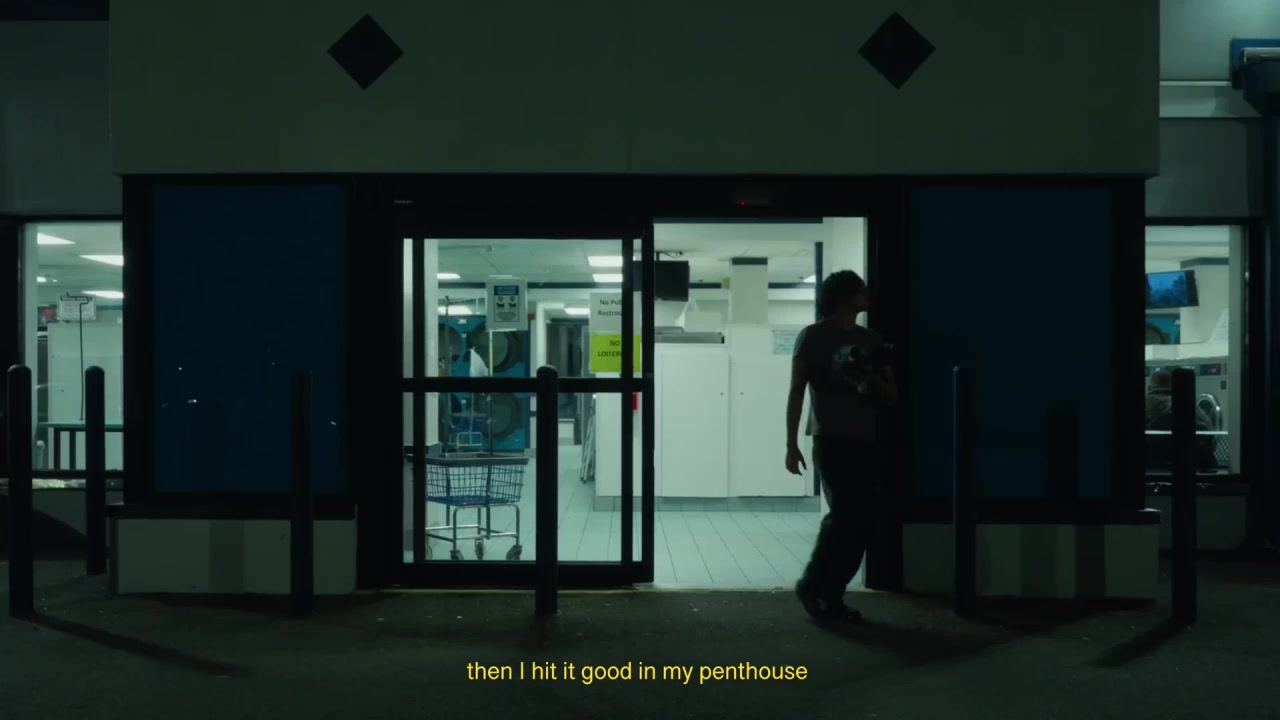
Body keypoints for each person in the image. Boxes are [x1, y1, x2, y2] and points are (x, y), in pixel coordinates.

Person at [785, 270, 897, 623]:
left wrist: (869, 376)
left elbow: (891, 395)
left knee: (862, 522)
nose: (867, 294)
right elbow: (796, 390)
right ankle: (812, 584)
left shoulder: (872, 339)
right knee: (845, 517)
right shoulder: (813, 337)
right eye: (860, 290)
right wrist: (791, 443)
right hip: (831, 438)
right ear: (843, 297)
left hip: (866, 440)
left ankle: (832, 595)